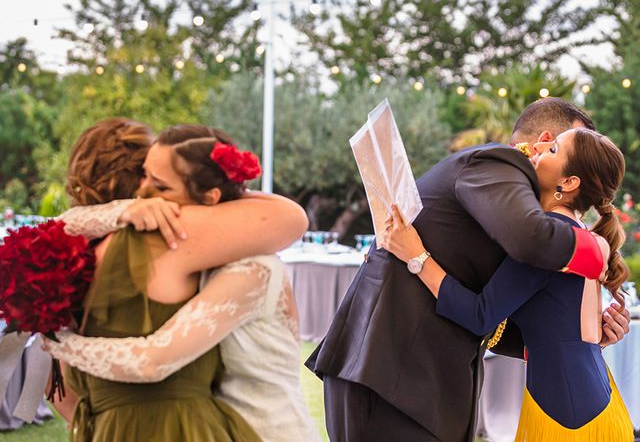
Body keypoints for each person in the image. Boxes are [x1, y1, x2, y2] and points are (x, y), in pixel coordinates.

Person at [305, 98, 630, 442]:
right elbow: (527, 244)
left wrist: (585, 333)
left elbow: (494, 318)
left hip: (426, 387)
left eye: (555, 150)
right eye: (552, 144)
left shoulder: (531, 220)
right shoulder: (499, 165)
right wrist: (595, 251)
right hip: (387, 372)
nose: (542, 150)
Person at [49, 124, 320, 442]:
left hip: (268, 432)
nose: (142, 193)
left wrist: (63, 345)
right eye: (144, 176)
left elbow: (153, 360)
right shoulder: (197, 255)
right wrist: (124, 211)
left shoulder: (253, 268)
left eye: (160, 186)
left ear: (209, 196)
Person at [380, 128, 634, 440]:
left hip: (568, 418)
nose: (538, 149)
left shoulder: (549, 238)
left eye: (553, 150)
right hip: (588, 401)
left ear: (568, 183)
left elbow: (479, 316)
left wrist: (416, 255)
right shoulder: (577, 233)